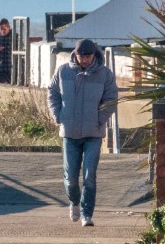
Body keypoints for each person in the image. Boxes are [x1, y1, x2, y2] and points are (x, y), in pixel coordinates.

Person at [47, 39, 118, 226]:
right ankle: (74, 203)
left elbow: (111, 99)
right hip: (69, 132)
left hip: (93, 133)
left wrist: (99, 119)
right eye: (81, 56)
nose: (85, 60)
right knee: (70, 177)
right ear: (75, 54)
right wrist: (58, 115)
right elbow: (52, 93)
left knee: (89, 176)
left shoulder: (105, 74)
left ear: (94, 55)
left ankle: (87, 214)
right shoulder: (63, 71)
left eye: (88, 56)